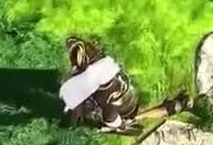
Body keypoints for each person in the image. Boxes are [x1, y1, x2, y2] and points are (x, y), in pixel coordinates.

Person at [60, 36, 190, 134]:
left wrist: (121, 126)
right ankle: (178, 105)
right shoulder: (104, 64)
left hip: (122, 111)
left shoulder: (96, 88)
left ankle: (134, 119)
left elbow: (110, 115)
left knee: (122, 117)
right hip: (125, 94)